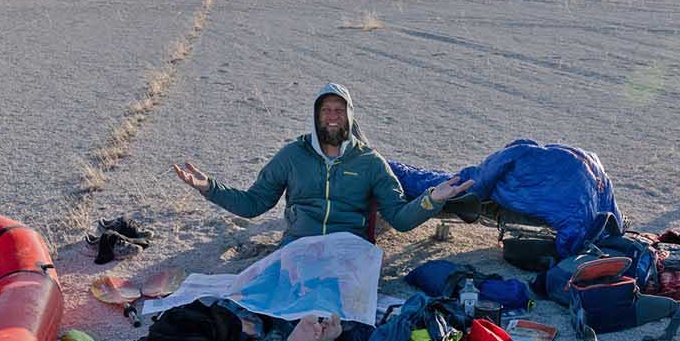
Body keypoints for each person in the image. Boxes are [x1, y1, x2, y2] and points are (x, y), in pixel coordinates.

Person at [174, 83, 472, 243]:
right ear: (316, 115)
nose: (332, 116)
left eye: (339, 110)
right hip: (298, 245)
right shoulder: (292, 156)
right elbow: (254, 204)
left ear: (349, 116)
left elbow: (400, 219)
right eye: (326, 109)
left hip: (349, 249)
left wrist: (431, 199)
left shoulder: (370, 162)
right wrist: (209, 188)